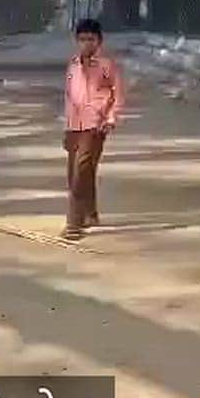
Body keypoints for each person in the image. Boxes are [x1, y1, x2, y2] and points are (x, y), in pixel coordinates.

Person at [62, 18, 124, 241]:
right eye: (82, 39)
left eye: (91, 39)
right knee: (75, 174)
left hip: (95, 125)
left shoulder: (107, 66)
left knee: (81, 172)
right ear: (76, 41)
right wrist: (67, 128)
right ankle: (90, 213)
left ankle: (73, 224)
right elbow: (69, 97)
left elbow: (118, 94)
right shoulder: (72, 65)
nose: (86, 43)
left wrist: (111, 118)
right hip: (74, 126)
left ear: (99, 41)